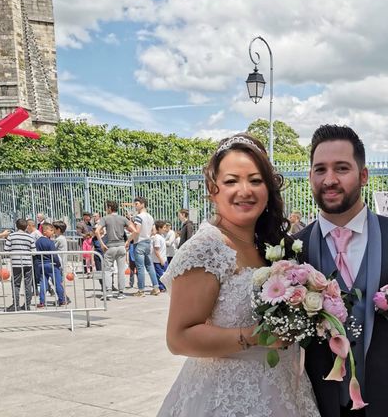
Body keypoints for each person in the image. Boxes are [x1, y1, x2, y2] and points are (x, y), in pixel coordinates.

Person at [158, 133, 319, 416]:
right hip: (228, 398)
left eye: (255, 180)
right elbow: (179, 337)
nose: (245, 191)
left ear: (268, 188)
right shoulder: (206, 247)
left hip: (283, 388)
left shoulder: (267, 244)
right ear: (213, 189)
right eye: (232, 181)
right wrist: (257, 337)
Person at [296, 124, 388, 417]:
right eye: (320, 169)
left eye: (341, 168)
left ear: (363, 175)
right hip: (319, 406)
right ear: (310, 176)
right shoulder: (293, 250)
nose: (329, 179)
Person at [96, 200, 132, 300]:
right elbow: (134, 231)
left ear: (109, 208)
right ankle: (121, 292)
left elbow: (97, 231)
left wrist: (102, 244)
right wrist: (128, 241)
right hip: (121, 246)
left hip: (110, 246)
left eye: (106, 208)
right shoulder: (123, 218)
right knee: (121, 270)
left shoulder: (105, 218)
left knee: (108, 270)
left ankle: (108, 291)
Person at [129, 197, 160, 297]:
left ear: (142, 204)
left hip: (139, 243)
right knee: (149, 266)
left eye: (137, 204)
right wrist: (147, 234)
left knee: (140, 267)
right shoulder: (150, 217)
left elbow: (136, 231)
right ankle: (156, 288)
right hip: (147, 242)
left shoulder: (139, 217)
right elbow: (154, 231)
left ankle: (141, 290)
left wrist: (128, 241)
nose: (135, 205)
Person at [5, 218, 36, 311]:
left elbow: (6, 250)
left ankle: (16, 305)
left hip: (16, 263)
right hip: (27, 263)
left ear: (16, 226)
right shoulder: (30, 237)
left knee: (15, 284)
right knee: (28, 284)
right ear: (26, 226)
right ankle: (27, 304)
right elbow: (34, 252)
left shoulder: (11, 236)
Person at [34, 223, 68, 308]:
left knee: (43, 283)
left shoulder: (37, 242)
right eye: (51, 230)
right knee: (57, 283)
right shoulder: (50, 242)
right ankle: (62, 300)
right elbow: (54, 255)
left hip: (41, 265)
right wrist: (58, 264)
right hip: (51, 264)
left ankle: (42, 301)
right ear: (45, 231)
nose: (52, 232)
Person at [152, 220, 168, 292]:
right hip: (158, 261)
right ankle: (161, 287)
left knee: (164, 274)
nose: (165, 229)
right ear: (159, 228)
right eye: (164, 227)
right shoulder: (157, 238)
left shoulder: (161, 236)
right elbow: (156, 250)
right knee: (160, 275)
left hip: (163, 259)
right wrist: (161, 259)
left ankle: (164, 287)